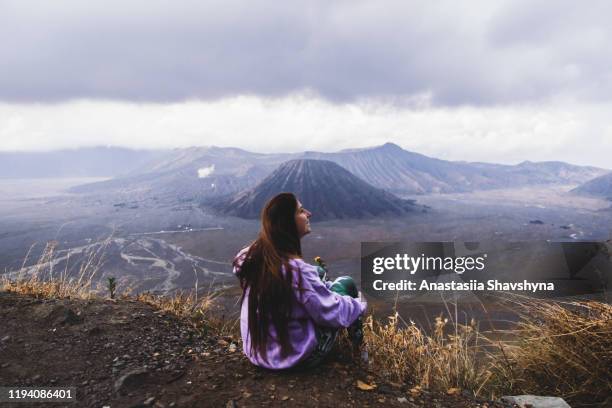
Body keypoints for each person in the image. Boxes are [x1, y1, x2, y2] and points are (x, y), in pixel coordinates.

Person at [233, 192, 367, 370]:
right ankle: (359, 354)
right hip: (293, 358)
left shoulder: (253, 256)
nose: (309, 213)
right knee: (347, 284)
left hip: (257, 352)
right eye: (301, 211)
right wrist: (360, 304)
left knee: (318, 272)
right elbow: (330, 312)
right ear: (287, 222)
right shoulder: (297, 271)